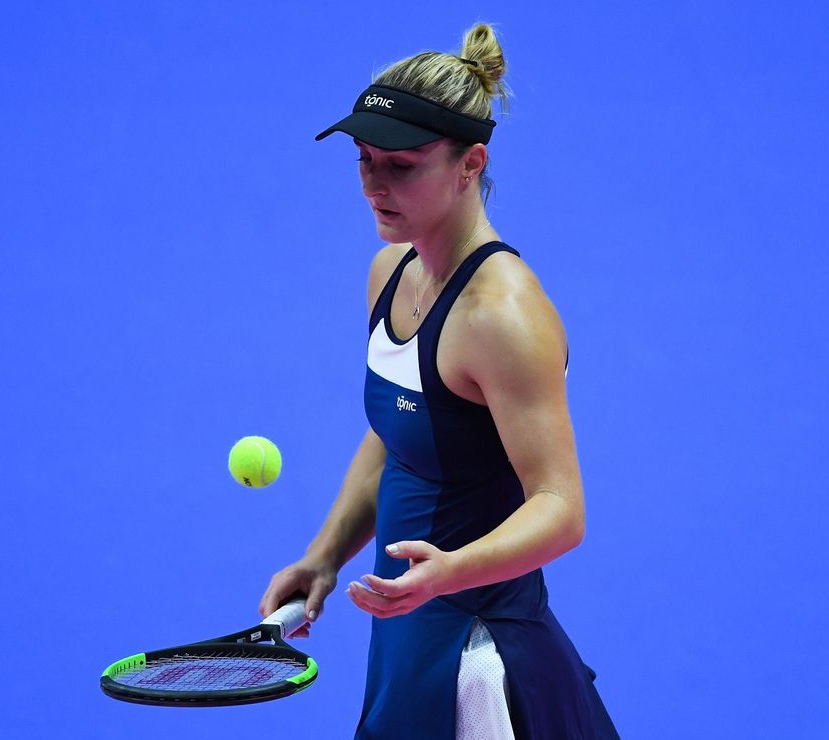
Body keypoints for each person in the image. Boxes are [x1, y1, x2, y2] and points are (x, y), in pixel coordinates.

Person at [260, 23, 619, 740]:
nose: (372, 184)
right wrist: (325, 556)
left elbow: (561, 507)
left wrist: (451, 570)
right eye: (363, 159)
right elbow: (398, 435)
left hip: (480, 658)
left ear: (469, 163)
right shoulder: (388, 273)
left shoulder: (504, 315)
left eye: (401, 165)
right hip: (407, 634)